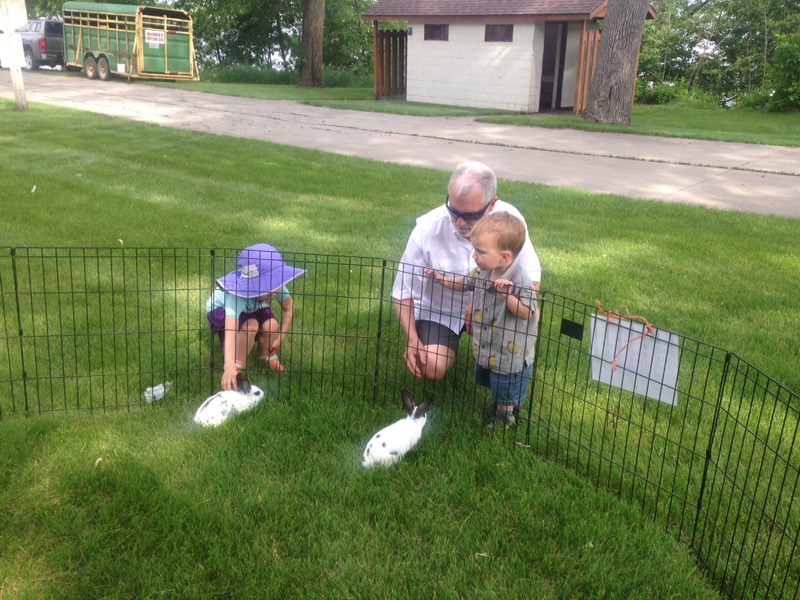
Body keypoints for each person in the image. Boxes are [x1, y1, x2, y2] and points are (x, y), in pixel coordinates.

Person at [392, 160, 541, 381]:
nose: (460, 222)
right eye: (453, 211)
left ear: (492, 204)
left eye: (470, 215)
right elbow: (402, 292)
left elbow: (533, 282)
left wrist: (483, 301)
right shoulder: (427, 229)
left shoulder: (510, 223)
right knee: (429, 367)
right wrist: (413, 340)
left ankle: (510, 377)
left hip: (496, 309)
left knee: (516, 346)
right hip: (440, 310)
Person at [426, 212, 538, 429]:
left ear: (504, 257)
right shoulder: (483, 271)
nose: (474, 255)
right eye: (474, 249)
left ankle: (505, 417)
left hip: (508, 347)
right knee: (494, 378)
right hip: (488, 341)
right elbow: (464, 283)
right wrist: (442, 280)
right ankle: (501, 405)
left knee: (505, 380)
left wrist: (507, 296)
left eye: (480, 251)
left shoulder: (521, 280)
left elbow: (527, 312)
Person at [206, 243, 305, 391]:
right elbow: (230, 331)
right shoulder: (236, 294)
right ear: (252, 284)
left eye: (274, 287)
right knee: (251, 325)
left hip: (253, 306)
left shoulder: (276, 286)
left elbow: (288, 308)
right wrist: (228, 366)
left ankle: (265, 356)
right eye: (266, 288)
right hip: (221, 309)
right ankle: (237, 366)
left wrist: (280, 338)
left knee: (271, 324)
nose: (272, 293)